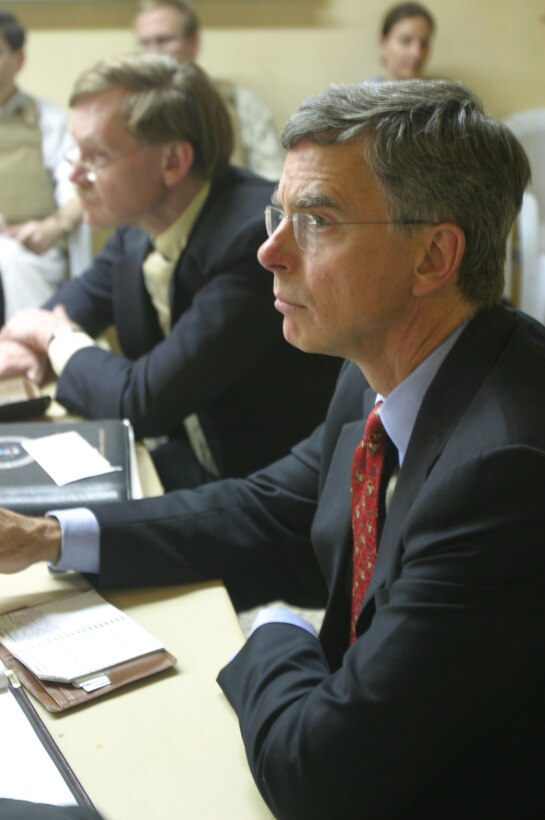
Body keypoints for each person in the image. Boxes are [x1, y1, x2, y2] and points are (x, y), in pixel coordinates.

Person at [2, 78, 545, 819]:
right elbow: (271, 510)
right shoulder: (381, 372)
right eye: (277, 215)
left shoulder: (505, 470)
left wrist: (274, 632)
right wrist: (47, 536)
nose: (268, 251)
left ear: (432, 258)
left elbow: (319, 775)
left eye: (315, 222)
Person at [0, 53, 340, 490]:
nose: (73, 175)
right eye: (75, 151)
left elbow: (140, 402)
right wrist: (34, 339)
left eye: (96, 156)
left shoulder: (253, 239)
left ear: (173, 163)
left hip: (268, 494)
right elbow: (74, 303)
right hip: (191, 462)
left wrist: (51, 337)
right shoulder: (137, 228)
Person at [0, 10, 90, 322]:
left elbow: (78, 189)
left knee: (12, 259)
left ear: (18, 58)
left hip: (29, 249)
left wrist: (52, 228)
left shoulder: (49, 122)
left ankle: (34, 354)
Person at [134, 0, 284, 181]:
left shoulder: (241, 104)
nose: (153, 53)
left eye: (165, 40)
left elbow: (272, 182)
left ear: (193, 42)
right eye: (145, 43)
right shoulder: (126, 110)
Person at [370, 2, 435, 82]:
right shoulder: (360, 94)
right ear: (382, 43)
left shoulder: (443, 93)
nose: (417, 53)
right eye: (405, 41)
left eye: (424, 43)